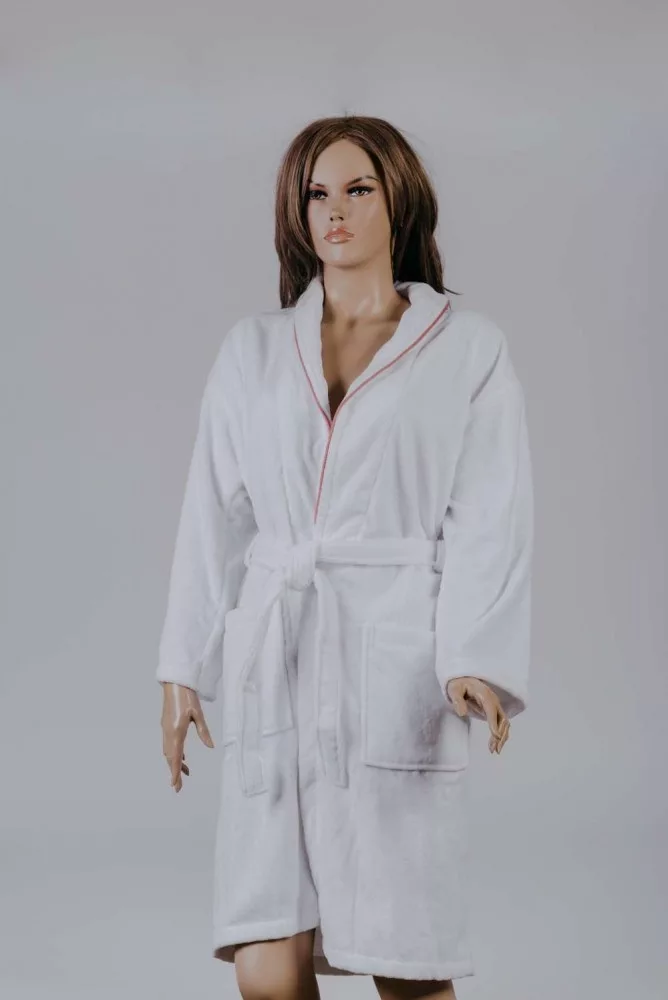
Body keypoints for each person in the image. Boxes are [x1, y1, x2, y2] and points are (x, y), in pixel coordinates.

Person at [156, 115, 534, 1000]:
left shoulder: (467, 348)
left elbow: (491, 514)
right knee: (266, 964)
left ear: (398, 198)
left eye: (358, 189)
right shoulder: (253, 350)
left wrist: (473, 657)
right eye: (317, 193)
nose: (335, 210)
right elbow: (211, 516)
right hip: (275, 665)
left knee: (405, 966)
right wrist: (183, 668)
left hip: (393, 668)